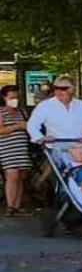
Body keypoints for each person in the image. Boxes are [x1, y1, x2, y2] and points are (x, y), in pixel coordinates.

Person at [26, 77, 82, 145]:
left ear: (72, 89)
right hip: (55, 148)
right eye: (56, 88)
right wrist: (41, 138)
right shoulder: (45, 106)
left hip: (80, 148)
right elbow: (32, 124)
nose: (58, 91)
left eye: (63, 88)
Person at [0, 84, 31, 216]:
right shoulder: (1, 112)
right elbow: (1, 130)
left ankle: (17, 205)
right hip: (8, 147)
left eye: (16, 97)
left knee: (20, 175)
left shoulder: (22, 111)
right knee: (12, 174)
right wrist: (18, 126)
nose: (14, 100)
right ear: (4, 97)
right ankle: (10, 206)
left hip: (21, 147)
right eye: (11, 97)